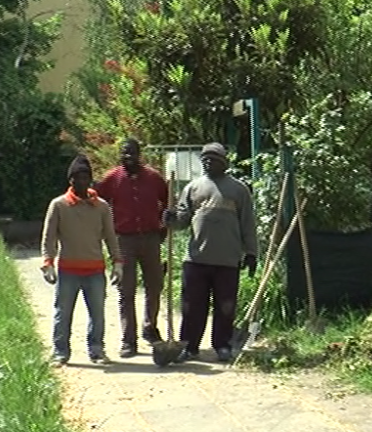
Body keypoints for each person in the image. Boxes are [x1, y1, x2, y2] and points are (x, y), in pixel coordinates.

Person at [162, 142, 258, 363]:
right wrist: (171, 220)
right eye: (204, 159)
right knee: (192, 306)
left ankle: (222, 345)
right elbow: (182, 221)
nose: (207, 162)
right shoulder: (193, 188)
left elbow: (247, 224)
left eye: (212, 158)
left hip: (227, 260)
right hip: (196, 260)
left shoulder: (238, 189)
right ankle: (188, 346)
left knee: (225, 306)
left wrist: (251, 253)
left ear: (224, 162)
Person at [40, 154, 123, 367]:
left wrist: (118, 262)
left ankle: (96, 350)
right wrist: (48, 262)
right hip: (68, 270)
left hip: (95, 271)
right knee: (63, 313)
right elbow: (49, 236)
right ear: (71, 180)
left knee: (98, 314)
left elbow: (110, 236)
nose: (83, 181)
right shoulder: (58, 205)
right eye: (78, 177)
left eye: (87, 177)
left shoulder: (102, 207)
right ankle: (60, 352)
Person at [94, 138, 170, 358]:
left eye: (132, 153)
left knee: (155, 285)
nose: (128, 157)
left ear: (139, 154)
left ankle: (150, 328)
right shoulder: (112, 178)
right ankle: (129, 340)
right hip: (123, 241)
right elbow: (97, 201)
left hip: (151, 238)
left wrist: (164, 224)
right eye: (124, 153)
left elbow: (168, 203)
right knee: (125, 291)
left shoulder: (154, 178)